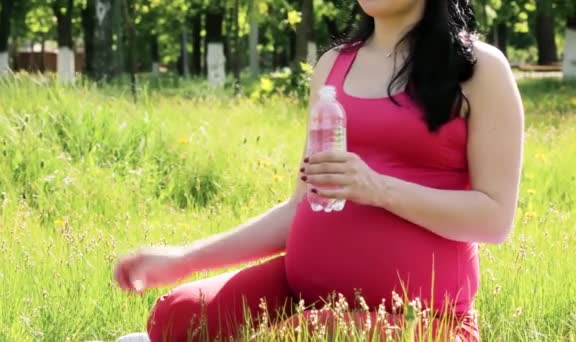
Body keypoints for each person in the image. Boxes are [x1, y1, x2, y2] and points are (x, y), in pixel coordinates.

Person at [114, 0, 524, 341]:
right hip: (305, 298)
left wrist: (380, 190)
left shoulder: (479, 69)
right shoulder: (334, 65)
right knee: (178, 316)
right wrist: (184, 260)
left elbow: (494, 219)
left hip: (425, 322)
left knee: (306, 333)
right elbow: (298, 209)